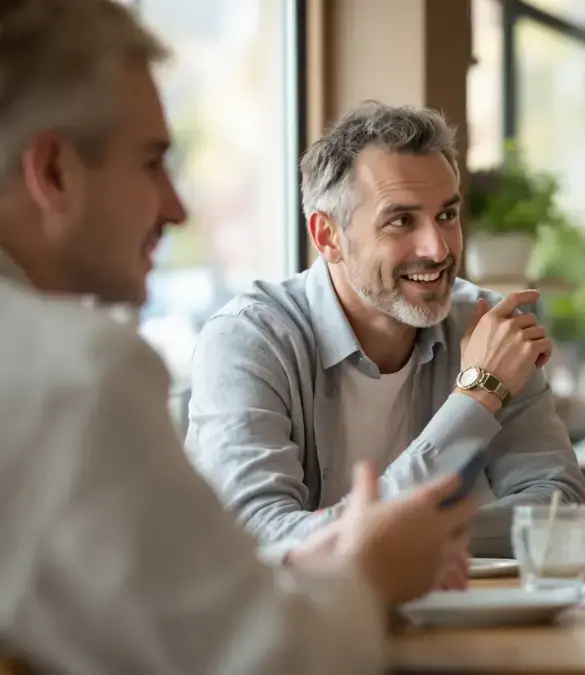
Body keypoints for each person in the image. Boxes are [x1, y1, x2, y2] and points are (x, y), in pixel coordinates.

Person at [0, 1, 476, 672]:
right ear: (52, 172)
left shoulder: (480, 319)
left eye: (447, 215)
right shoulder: (77, 375)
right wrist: (369, 571)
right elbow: (257, 659)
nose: (177, 207)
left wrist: (300, 563)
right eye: (151, 162)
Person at [184, 101, 585, 557]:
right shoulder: (249, 341)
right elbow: (260, 538)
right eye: (401, 221)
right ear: (328, 237)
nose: (438, 249)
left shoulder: (485, 325)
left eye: (447, 216)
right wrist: (476, 397)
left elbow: (561, 511)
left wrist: (395, 534)